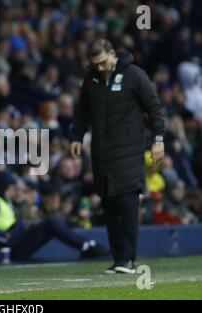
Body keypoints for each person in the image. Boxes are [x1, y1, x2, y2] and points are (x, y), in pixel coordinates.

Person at [70, 39, 165, 274]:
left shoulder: (134, 74)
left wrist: (158, 140)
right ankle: (119, 260)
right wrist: (76, 137)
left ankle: (129, 260)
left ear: (113, 54)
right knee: (110, 209)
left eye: (103, 62)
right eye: (95, 64)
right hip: (102, 156)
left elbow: (154, 108)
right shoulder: (91, 79)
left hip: (129, 153)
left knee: (127, 207)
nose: (99, 68)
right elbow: (82, 111)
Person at [0, 171, 108, 262]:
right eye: (11, 188)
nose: (13, 191)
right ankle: (86, 245)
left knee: (51, 223)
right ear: (4, 187)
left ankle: (86, 245)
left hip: (15, 241)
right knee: (50, 223)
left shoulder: (7, 203)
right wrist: (4, 237)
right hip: (7, 247)